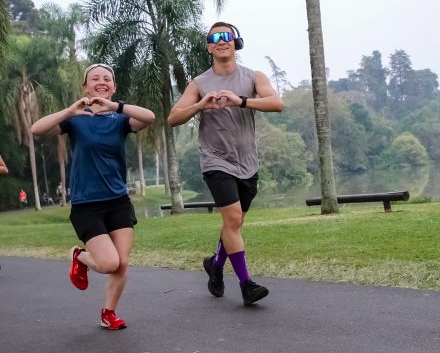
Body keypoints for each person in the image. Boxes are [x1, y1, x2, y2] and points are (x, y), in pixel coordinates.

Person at [31, 63, 155, 329]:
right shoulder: (75, 120)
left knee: (121, 263)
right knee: (109, 263)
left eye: (107, 79)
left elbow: (149, 117)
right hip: (87, 204)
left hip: (118, 201)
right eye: (95, 78)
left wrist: (116, 107)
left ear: (113, 86)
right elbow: (37, 130)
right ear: (85, 86)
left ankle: (108, 313)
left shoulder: (121, 120)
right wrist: (70, 110)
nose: (101, 82)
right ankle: (80, 257)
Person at [168, 21, 283, 305]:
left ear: (236, 43)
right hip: (215, 160)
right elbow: (173, 118)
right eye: (214, 37)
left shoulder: (253, 77)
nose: (221, 41)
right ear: (209, 47)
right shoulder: (199, 83)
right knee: (232, 219)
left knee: (235, 223)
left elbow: (276, 103)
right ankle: (246, 285)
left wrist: (240, 101)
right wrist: (199, 105)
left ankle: (216, 265)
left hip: (248, 163)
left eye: (226, 36)